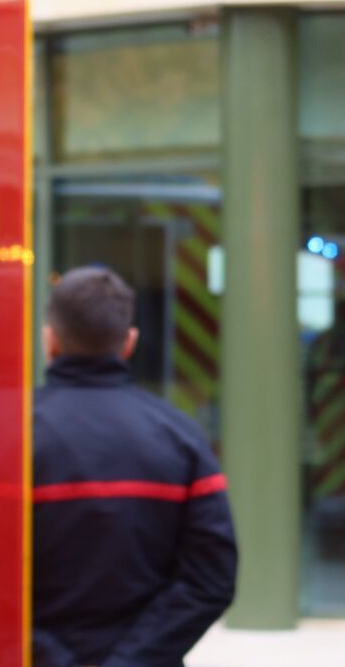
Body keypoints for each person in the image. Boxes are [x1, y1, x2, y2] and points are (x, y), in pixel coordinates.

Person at [33, 266, 237, 667]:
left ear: (50, 338)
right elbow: (211, 581)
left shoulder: (5, 439)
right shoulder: (181, 439)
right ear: (129, 342)